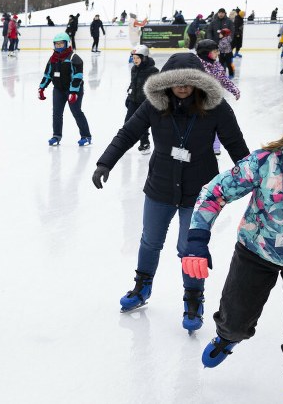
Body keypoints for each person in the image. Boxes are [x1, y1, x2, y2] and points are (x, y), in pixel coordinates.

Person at [185, 105, 283, 404]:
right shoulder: (264, 162)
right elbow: (215, 192)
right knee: (235, 319)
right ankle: (228, 337)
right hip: (255, 250)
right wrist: (197, 238)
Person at [91, 53, 248, 332]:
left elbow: (236, 146)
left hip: (201, 194)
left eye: (189, 82)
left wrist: (255, 180)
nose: (183, 87)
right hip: (160, 187)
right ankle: (141, 289)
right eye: (176, 82)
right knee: (150, 241)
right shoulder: (154, 105)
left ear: (199, 82)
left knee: (189, 248)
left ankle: (193, 299)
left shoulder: (217, 108)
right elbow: (127, 134)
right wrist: (105, 162)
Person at [38, 33, 92, 146]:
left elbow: (77, 76)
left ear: (67, 44)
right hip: (58, 89)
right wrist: (41, 88)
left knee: (76, 112)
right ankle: (56, 135)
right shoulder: (53, 58)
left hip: (73, 90)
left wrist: (73, 92)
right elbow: (48, 74)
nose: (59, 46)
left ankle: (86, 136)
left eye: (61, 43)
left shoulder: (74, 58)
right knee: (57, 113)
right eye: (56, 44)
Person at [124, 45, 158, 154]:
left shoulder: (153, 70)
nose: (135, 60)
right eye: (133, 58)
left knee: (142, 124)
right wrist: (129, 95)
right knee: (128, 122)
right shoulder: (134, 69)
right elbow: (133, 83)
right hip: (133, 100)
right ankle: (124, 143)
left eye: (137, 58)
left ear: (144, 58)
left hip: (145, 102)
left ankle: (145, 143)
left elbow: (156, 86)